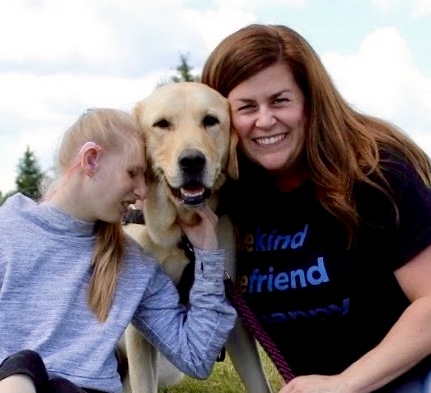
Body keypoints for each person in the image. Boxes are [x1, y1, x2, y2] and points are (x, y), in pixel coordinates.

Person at [201, 23, 431, 393]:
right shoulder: (227, 195)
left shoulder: (377, 171)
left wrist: (347, 383)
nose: (264, 120)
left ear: (310, 100)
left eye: (279, 100)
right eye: (246, 107)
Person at [0, 108, 237, 393]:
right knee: (24, 365)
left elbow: (197, 356)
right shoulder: (8, 231)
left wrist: (208, 257)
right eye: (133, 173)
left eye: (146, 178)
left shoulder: (133, 264)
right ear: (91, 160)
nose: (142, 191)